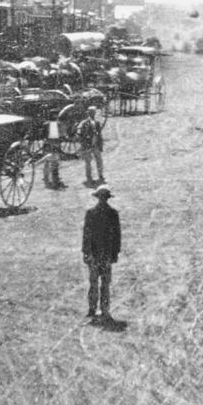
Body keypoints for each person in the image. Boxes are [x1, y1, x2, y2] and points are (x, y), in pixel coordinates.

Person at [81, 184, 121, 320]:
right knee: (101, 283)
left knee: (98, 283)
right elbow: (116, 237)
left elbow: (116, 237)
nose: (102, 200)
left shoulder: (92, 213)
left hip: (98, 254)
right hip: (103, 254)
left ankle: (96, 309)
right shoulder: (111, 214)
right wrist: (114, 254)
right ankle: (100, 309)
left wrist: (86, 253)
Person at [77, 106, 105, 186]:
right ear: (88, 113)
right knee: (88, 162)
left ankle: (100, 175)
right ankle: (89, 177)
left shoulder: (97, 122)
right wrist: (83, 142)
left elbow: (99, 135)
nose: (92, 113)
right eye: (91, 112)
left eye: (93, 112)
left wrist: (100, 144)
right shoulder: (84, 123)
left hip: (95, 144)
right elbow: (79, 134)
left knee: (99, 160)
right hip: (87, 145)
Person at [42, 120, 65, 190]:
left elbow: (43, 134)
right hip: (52, 144)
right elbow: (60, 135)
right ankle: (54, 179)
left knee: (48, 162)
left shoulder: (46, 124)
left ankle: (47, 177)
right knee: (53, 162)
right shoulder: (57, 124)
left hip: (49, 144)